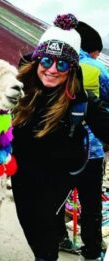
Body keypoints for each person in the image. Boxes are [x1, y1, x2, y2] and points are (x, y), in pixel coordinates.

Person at [10, 13, 109, 261]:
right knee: (32, 229)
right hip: (22, 176)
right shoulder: (16, 90)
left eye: (62, 64)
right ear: (37, 60)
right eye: (46, 60)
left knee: (44, 236)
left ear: (72, 68)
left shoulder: (81, 101)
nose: (52, 69)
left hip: (57, 179)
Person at [57, 21, 109, 261]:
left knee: (57, 195)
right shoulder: (99, 69)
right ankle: (92, 251)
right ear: (95, 50)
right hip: (93, 148)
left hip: (60, 144)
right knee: (91, 204)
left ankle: (59, 237)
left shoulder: (59, 63)